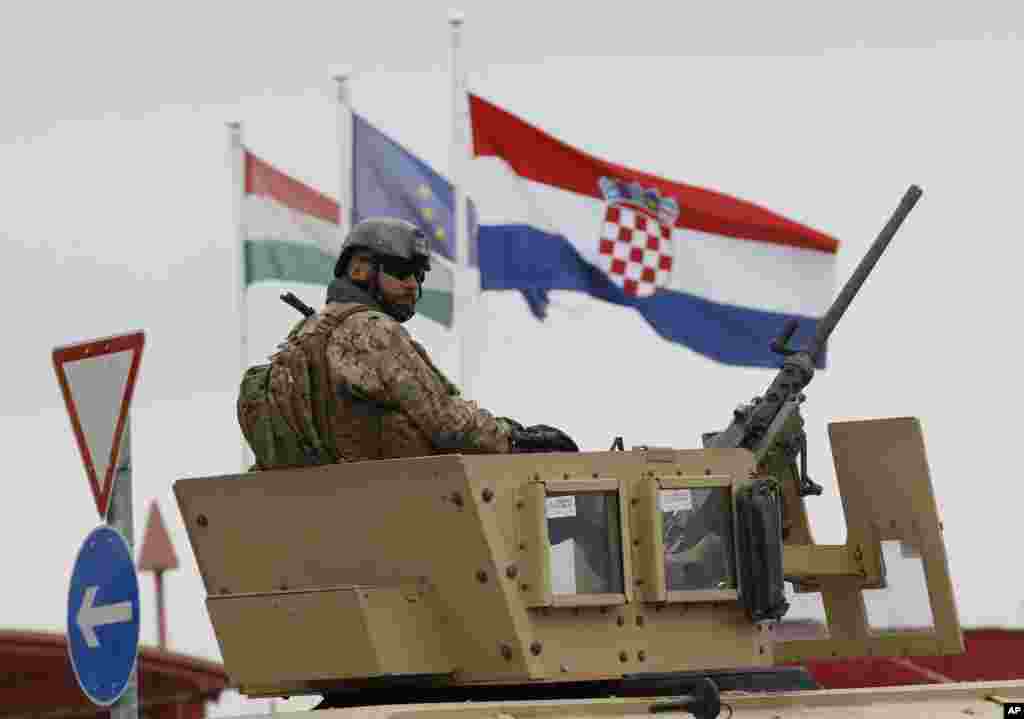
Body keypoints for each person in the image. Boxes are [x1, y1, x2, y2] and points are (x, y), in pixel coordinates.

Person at [261, 217, 578, 463]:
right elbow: (447, 422)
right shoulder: (372, 331)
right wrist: (516, 438)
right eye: (401, 271)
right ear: (360, 269)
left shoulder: (305, 333)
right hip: (394, 502)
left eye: (419, 275)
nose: (413, 285)